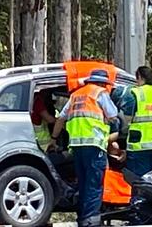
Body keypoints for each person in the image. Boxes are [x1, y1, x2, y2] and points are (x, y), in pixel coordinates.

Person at [49, 69, 119, 227]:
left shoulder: (76, 95)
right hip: (94, 146)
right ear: (102, 83)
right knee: (94, 184)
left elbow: (61, 118)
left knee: (83, 182)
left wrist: (53, 139)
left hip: (77, 147)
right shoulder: (100, 93)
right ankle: (91, 220)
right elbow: (113, 115)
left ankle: (82, 218)